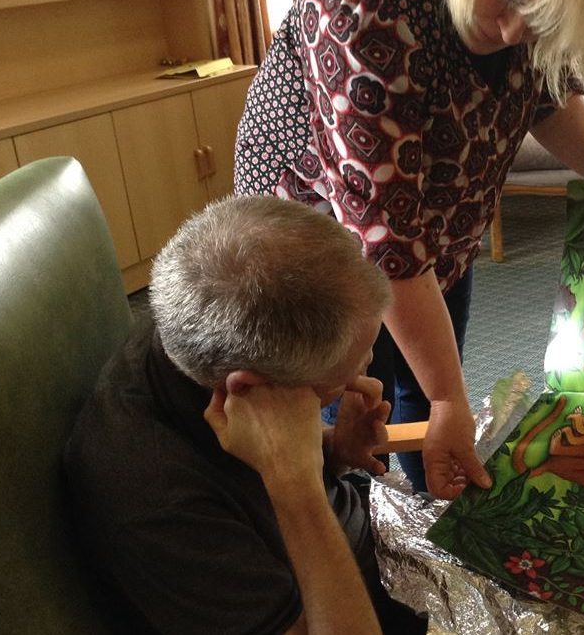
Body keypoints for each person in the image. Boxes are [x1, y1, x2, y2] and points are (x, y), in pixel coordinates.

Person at [234, 0, 584, 499]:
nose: (513, 33)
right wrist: (448, 401)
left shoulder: (522, 14)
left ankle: (429, 505)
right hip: (317, 242)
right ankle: (354, 516)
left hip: (437, 221)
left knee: (430, 383)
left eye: (541, 19)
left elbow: (543, 86)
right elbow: (386, 244)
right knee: (356, 414)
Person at [63, 196, 426, 634]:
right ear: (250, 387)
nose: (364, 373)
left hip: (377, 555)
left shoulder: (203, 322)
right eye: (346, 374)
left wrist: (334, 449)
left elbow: (246, 483)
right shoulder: (157, 503)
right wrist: (298, 488)